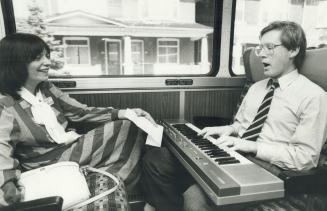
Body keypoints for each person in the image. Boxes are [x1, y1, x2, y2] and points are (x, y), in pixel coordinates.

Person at [142, 21, 327, 211]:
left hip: (271, 168)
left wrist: (252, 146)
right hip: (235, 153)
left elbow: (305, 159)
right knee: (156, 159)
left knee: (195, 197)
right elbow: (241, 126)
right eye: (260, 47)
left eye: (270, 47)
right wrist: (225, 130)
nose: (262, 54)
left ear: (293, 50)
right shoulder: (257, 87)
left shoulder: (314, 96)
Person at [0, 33, 157, 207]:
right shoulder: (5, 104)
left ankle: (106, 182)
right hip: (46, 163)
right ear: (16, 64)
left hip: (67, 147)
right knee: (128, 128)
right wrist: (7, 183)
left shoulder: (47, 88)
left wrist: (126, 112)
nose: (47, 62)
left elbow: (80, 112)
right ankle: (115, 184)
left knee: (130, 124)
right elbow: (1, 147)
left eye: (47, 56)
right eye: (38, 58)